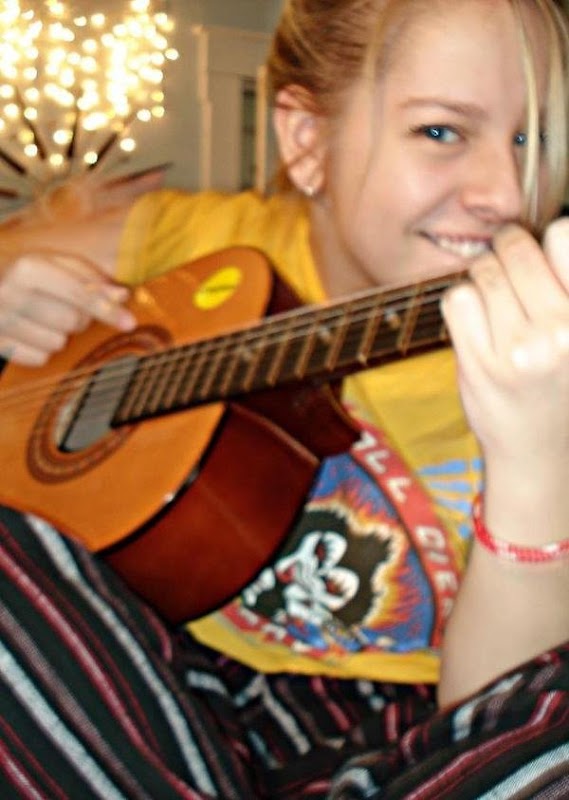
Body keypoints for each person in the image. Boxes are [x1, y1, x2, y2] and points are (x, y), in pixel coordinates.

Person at [0, 0, 568, 796]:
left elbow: (499, 728)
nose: (505, 194)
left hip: (403, 741)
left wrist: (539, 461)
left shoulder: (552, 346)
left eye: (531, 139)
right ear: (305, 140)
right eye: (440, 131)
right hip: (136, 681)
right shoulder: (189, 243)